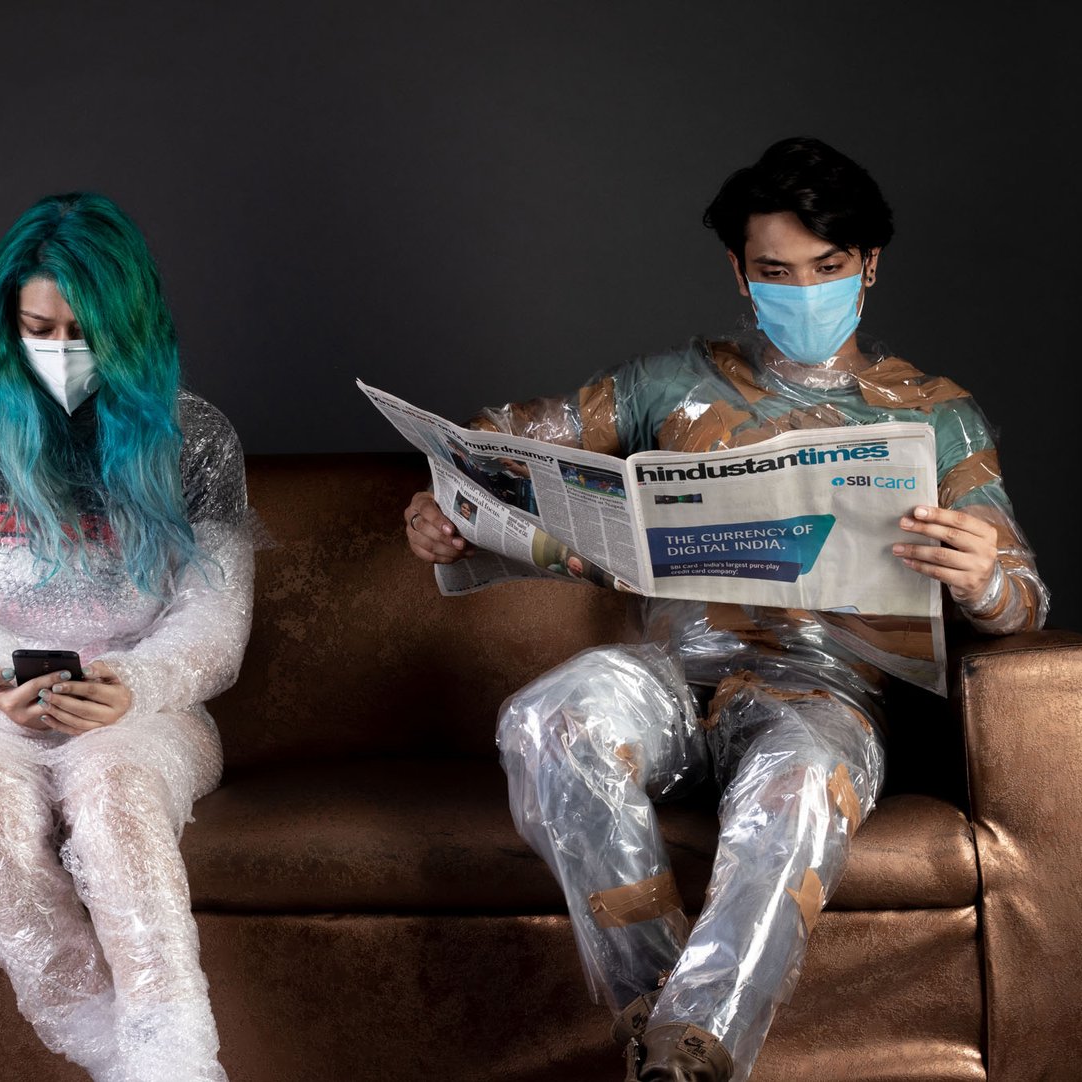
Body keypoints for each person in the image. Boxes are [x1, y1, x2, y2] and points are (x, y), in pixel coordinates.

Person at [402, 138, 1047, 1082]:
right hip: (672, 677)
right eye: (776, 272)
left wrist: (983, 575)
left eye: (828, 267)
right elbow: (493, 440)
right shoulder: (669, 383)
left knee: (800, 788)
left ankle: (686, 1054)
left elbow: (1023, 601)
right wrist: (444, 503)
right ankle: (665, 1035)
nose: (804, 290)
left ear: (869, 266)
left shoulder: (937, 414)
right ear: (740, 275)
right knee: (547, 718)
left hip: (825, 700)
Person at [0, 192, 254, 1082]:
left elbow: (217, 617)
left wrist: (136, 686)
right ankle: (136, 1062)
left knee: (113, 788)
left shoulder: (196, 438)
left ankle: (172, 1058)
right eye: (40, 329)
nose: (62, 350)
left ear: (131, 326)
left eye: (87, 332)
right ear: (9, 326)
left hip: (143, 715)